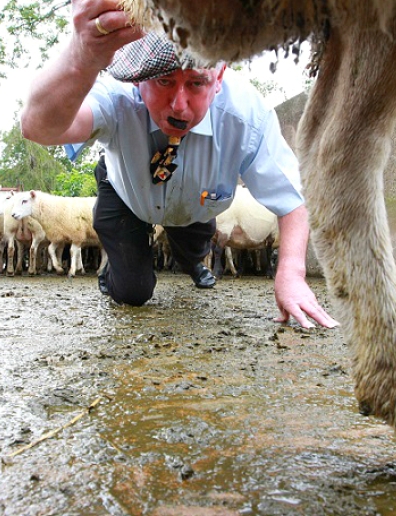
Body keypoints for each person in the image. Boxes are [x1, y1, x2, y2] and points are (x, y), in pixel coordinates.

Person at [20, 0, 338, 330]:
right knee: (133, 291)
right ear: (138, 79)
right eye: (164, 81)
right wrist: (82, 55)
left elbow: (292, 199)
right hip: (126, 194)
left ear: (219, 77)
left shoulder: (247, 116)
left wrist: (292, 273)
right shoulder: (118, 96)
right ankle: (116, 267)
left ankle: (191, 260)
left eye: (196, 83)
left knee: (196, 249)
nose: (179, 105)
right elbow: (37, 127)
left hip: (196, 207)